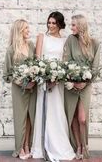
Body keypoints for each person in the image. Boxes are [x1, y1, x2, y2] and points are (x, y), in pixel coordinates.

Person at [31, 12, 75, 161]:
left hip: (57, 82)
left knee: (56, 110)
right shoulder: (41, 37)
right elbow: (37, 59)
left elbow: (64, 61)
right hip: (43, 79)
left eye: (54, 23)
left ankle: (58, 145)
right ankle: (41, 146)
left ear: (60, 25)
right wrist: (44, 75)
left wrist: (56, 78)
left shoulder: (64, 40)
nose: (50, 26)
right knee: (43, 110)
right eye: (49, 22)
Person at [64, 15, 100, 159]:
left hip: (86, 85)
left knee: (82, 118)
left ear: (81, 26)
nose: (71, 27)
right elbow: (65, 61)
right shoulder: (70, 40)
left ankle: (85, 146)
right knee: (72, 116)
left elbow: (95, 66)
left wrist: (85, 82)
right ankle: (77, 145)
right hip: (71, 84)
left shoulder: (94, 43)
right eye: (71, 25)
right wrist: (72, 80)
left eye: (73, 25)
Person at [3, 19, 37, 159]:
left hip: (33, 88)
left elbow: (36, 64)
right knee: (20, 118)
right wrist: (23, 83)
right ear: (19, 31)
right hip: (19, 89)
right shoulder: (11, 50)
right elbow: (7, 74)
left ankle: (28, 145)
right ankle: (20, 148)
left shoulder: (31, 45)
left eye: (28, 28)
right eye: (26, 28)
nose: (28, 31)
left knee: (30, 117)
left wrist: (34, 80)